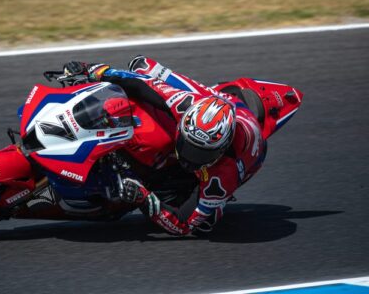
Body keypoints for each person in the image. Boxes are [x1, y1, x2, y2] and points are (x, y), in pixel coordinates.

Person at [62, 56, 266, 235]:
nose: (189, 157)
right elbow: (143, 84)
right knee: (142, 66)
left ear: (220, 150)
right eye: (188, 145)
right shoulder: (185, 103)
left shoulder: (224, 174)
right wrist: (96, 71)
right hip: (212, 100)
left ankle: (215, 205)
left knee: (205, 223)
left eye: (200, 154)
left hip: (248, 149)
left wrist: (145, 199)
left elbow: (184, 225)